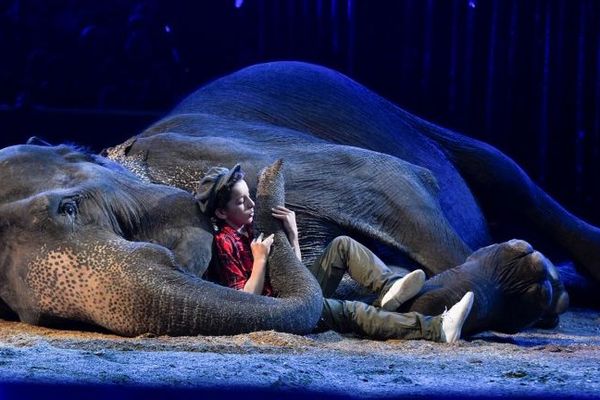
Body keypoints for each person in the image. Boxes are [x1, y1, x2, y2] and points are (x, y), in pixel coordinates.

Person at [195, 164, 474, 343]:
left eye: (250, 196)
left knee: (342, 245)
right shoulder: (225, 242)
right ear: (221, 212)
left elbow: (294, 273)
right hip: (285, 312)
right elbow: (245, 302)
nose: (251, 204)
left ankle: (389, 287)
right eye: (241, 202)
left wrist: (292, 236)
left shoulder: (249, 232)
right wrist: (260, 260)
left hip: (295, 293)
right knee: (351, 311)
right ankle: (435, 329)